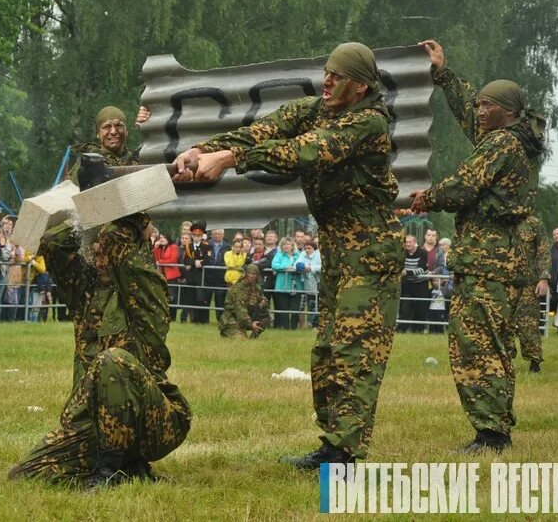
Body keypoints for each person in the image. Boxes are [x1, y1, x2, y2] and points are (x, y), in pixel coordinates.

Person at [154, 41, 405, 468]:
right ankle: (332, 446)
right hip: (341, 252)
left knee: (354, 352)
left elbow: (301, 152)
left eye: (337, 76)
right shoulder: (316, 108)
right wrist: (202, 149)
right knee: (327, 349)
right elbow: (262, 131)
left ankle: (344, 456)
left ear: (361, 87)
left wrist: (230, 159)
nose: (326, 81)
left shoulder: (367, 124)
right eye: (327, 71)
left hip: (371, 254)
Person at [411, 39, 546, 452]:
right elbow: (470, 112)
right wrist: (442, 72)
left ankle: (490, 434)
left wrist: (424, 198)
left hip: (488, 264)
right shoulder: (512, 138)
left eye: (489, 107)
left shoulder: (501, 143)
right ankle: (496, 429)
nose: (481, 111)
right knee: (496, 346)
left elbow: (463, 186)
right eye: (481, 105)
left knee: (477, 346)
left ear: (507, 112)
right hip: (499, 264)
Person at [8, 212, 191, 487]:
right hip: (94, 423)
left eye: (103, 244)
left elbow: (120, 242)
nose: (99, 249)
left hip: (152, 422)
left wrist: (133, 220)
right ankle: (129, 468)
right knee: (27, 475)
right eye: (93, 244)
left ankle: (109, 472)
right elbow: (52, 242)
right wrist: (85, 211)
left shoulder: (146, 289)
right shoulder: (85, 290)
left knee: (113, 361)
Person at [508, 215, 549, 372]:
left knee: (528, 323)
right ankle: (505, 359)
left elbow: (543, 252)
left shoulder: (534, 223)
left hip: (528, 284)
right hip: (504, 282)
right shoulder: (500, 220)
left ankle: (534, 361)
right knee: (504, 322)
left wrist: (543, 278)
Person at [68, 106, 139, 183]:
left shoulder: (138, 159)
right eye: (107, 127)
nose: (113, 132)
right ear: (98, 134)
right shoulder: (87, 162)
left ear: (126, 131)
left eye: (118, 125)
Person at [220, 264, 271, 339]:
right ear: (245, 274)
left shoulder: (257, 288)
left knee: (266, 316)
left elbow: (265, 302)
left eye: (254, 274)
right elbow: (240, 309)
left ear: (257, 275)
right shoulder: (238, 287)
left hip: (244, 319)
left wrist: (263, 303)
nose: (251, 276)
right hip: (231, 319)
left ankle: (253, 338)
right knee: (242, 340)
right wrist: (251, 324)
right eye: (249, 273)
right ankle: (227, 332)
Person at [399, 235, 430, 333]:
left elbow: (421, 269)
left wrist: (406, 272)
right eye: (406, 242)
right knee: (404, 307)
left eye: (410, 242)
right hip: (408, 284)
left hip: (421, 284)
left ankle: (418, 330)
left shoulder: (423, 252)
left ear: (415, 242)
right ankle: (401, 330)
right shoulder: (402, 253)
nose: (408, 244)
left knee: (421, 309)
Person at [183, 222, 212, 323]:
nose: (196, 237)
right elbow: (185, 260)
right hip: (191, 276)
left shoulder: (206, 246)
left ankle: (202, 320)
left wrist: (201, 263)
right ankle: (194, 320)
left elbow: (208, 259)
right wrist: (194, 262)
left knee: (200, 298)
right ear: (191, 235)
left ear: (202, 235)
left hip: (201, 276)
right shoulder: (188, 246)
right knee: (192, 298)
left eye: (199, 235)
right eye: (194, 235)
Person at [271, 237, 301, 330]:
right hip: (282, 285)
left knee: (295, 309)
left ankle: (294, 329)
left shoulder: (298, 255)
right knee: (284, 309)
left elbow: (302, 265)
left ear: (292, 245)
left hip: (297, 285)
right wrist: (286, 267)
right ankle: (287, 329)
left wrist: (296, 268)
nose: (286, 246)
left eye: (288, 244)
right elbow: (274, 265)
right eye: (284, 244)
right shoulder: (279, 255)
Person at [153, 232, 181, 321]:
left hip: (171, 276)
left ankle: (173, 317)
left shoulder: (173, 247)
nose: (162, 239)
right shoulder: (160, 248)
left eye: (164, 237)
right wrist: (156, 247)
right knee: (162, 297)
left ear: (168, 238)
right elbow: (155, 258)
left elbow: (173, 260)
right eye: (160, 237)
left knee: (172, 298)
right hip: (161, 275)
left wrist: (161, 262)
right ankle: (163, 316)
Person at [295, 240, 321, 327]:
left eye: (309, 248)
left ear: (314, 249)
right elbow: (297, 263)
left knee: (317, 306)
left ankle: (317, 325)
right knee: (310, 305)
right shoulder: (302, 254)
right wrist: (299, 266)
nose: (307, 250)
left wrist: (311, 268)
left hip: (318, 283)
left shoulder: (318, 255)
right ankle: (310, 325)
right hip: (307, 285)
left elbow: (322, 266)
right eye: (305, 248)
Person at [207, 228, 230, 311]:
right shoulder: (207, 244)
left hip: (221, 277)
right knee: (206, 299)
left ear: (223, 235)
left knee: (220, 300)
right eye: (215, 234)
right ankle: (204, 321)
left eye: (219, 234)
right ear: (213, 235)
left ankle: (220, 320)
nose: (217, 235)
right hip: (208, 276)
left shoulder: (227, 246)